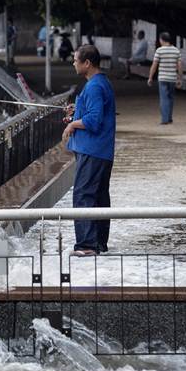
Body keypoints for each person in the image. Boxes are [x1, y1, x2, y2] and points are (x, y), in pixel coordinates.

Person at [62, 45, 117, 257]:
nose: (74, 63)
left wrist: (72, 125)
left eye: (76, 60)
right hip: (102, 151)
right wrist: (76, 112)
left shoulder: (94, 86)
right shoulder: (102, 83)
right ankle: (99, 243)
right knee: (99, 196)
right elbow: (94, 112)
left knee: (84, 195)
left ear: (87, 63)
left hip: (92, 150)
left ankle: (86, 245)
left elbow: (94, 120)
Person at [148, 32, 182, 125]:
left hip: (162, 78)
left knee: (164, 98)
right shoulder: (176, 50)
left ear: (162, 40)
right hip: (172, 78)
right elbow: (179, 66)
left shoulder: (159, 51)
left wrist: (150, 77)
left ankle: (164, 119)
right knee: (170, 98)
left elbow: (154, 65)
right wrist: (180, 78)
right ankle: (169, 118)